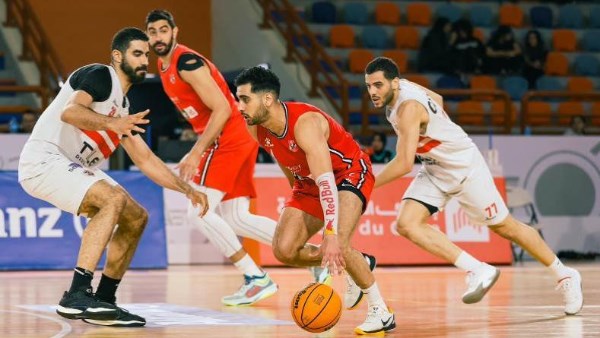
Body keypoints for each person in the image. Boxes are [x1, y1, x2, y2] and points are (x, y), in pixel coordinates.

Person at [17, 27, 209, 327]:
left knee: (137, 217)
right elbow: (70, 112)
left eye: (146, 54)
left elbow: (145, 160)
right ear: (117, 56)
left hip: (71, 167)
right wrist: (113, 124)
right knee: (113, 199)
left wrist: (187, 189)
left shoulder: (125, 107)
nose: (144, 59)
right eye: (137, 53)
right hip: (44, 160)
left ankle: (104, 300)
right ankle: (77, 295)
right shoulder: (99, 75)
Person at [364, 57, 583, 315]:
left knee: (505, 226)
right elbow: (439, 100)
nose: (372, 92)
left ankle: (565, 274)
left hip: (464, 167)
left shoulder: (407, 109)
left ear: (395, 83)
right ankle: (477, 268)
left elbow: (402, 164)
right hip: (435, 167)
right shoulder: (405, 88)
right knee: (407, 223)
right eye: (368, 86)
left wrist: (364, 183)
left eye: (378, 85)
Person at [145, 10, 329, 306]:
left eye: (163, 30)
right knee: (236, 216)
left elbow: (223, 109)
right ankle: (314, 259)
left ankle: (255, 277)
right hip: (240, 137)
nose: (158, 37)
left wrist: (195, 151)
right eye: (152, 32)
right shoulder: (164, 65)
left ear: (175, 32)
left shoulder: (187, 62)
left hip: (228, 137)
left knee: (198, 210)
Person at [234, 66, 395, 335]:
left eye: (244, 99)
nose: (239, 106)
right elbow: (285, 159)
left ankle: (381, 311)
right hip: (309, 184)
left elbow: (327, 183)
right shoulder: (256, 128)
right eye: (238, 98)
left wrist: (331, 234)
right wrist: (296, 196)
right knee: (284, 249)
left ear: (267, 99)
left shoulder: (304, 123)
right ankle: (359, 262)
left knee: (338, 243)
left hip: (348, 173)